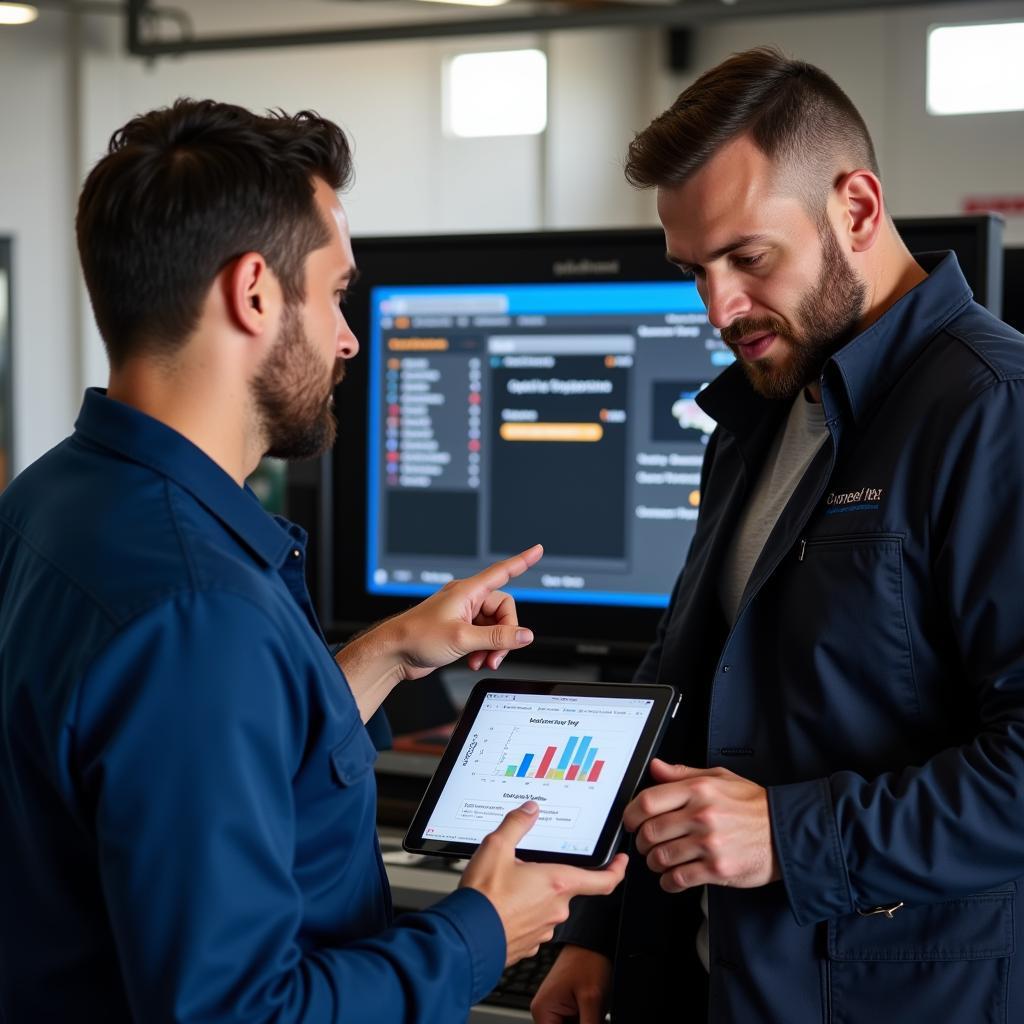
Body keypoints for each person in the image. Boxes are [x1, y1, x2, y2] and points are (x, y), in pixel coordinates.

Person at [0, 98, 627, 1024]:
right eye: (336, 293)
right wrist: (480, 930)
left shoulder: (54, 500)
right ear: (253, 291)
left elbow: (181, 756)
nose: (349, 337)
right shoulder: (196, 608)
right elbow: (239, 1012)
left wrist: (385, 656)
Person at [532, 46, 1024, 1024]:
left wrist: (791, 835)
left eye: (747, 258)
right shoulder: (763, 409)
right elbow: (689, 689)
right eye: (693, 271)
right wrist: (597, 930)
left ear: (856, 206)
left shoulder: (992, 409)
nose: (718, 307)